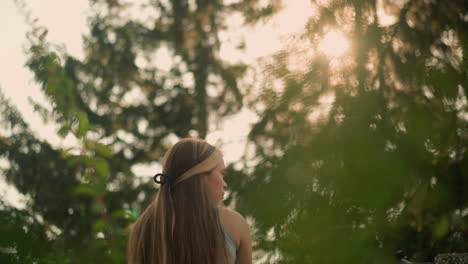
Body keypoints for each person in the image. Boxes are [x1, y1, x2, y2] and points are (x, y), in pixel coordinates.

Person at [127, 138, 252, 264]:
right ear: (201, 175)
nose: (225, 184)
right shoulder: (233, 222)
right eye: (222, 173)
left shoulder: (144, 226)